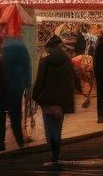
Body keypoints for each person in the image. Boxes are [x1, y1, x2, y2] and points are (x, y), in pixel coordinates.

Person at [31, 35, 78, 164]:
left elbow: (40, 81)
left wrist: (36, 96)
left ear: (50, 48)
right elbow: (71, 82)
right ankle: (56, 154)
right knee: (58, 128)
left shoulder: (45, 61)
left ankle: (53, 152)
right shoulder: (68, 61)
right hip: (60, 103)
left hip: (47, 101)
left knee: (49, 127)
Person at [0, 34, 32, 151]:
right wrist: (27, 83)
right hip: (18, 85)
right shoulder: (22, 49)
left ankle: (1, 142)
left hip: (4, 84)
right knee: (16, 113)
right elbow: (27, 68)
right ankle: (19, 140)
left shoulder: (3, 50)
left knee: (1, 113)